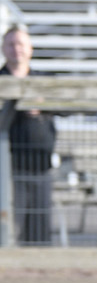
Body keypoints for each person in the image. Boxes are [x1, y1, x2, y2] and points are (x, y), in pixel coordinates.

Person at [1, 24, 56, 244]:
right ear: (4, 48)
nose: (17, 49)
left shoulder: (43, 79)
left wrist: (43, 105)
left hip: (41, 167)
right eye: (12, 44)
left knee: (40, 230)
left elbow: (68, 106)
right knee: (10, 229)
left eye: (21, 44)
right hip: (8, 169)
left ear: (30, 48)